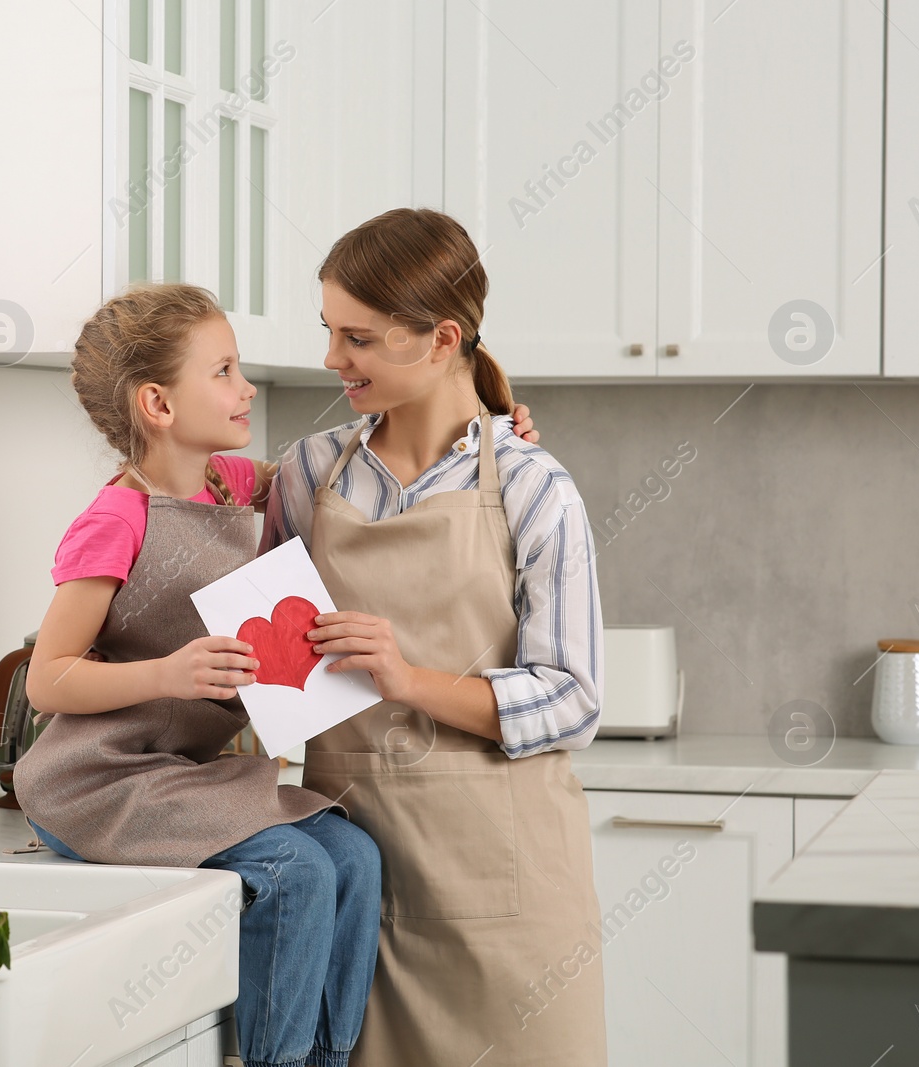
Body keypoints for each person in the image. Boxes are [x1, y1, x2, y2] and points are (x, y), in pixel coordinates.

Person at [262, 207, 608, 1066]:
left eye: (360, 339)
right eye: (330, 333)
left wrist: (405, 677)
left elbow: (572, 699)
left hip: (511, 897)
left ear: (442, 337)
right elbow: (261, 655)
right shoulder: (308, 473)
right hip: (359, 882)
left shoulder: (534, 485)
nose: (334, 360)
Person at [11, 283, 382, 1067]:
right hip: (98, 780)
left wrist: (480, 418)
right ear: (158, 402)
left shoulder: (227, 485)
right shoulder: (115, 518)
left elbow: (336, 461)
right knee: (295, 870)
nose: (245, 387)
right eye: (223, 371)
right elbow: (48, 679)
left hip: (179, 775)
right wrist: (168, 672)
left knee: (354, 855)